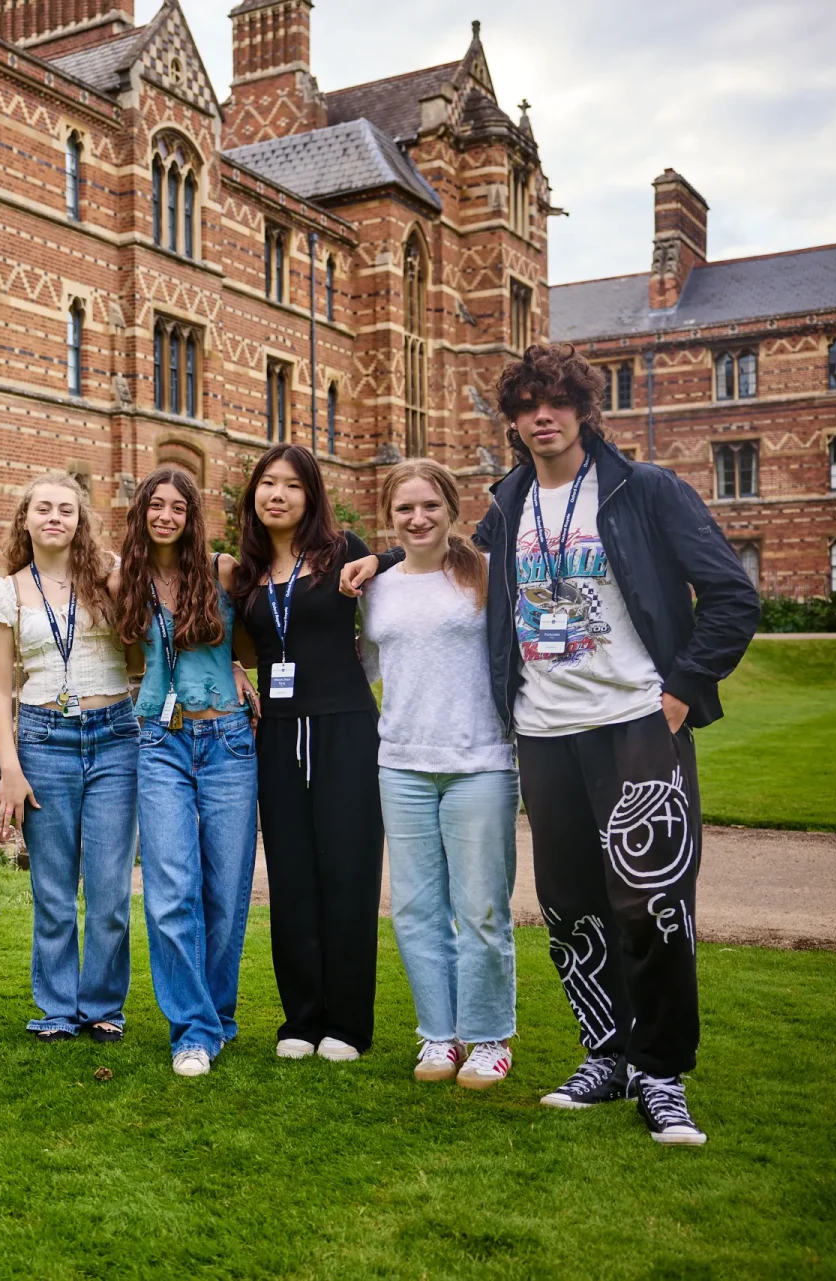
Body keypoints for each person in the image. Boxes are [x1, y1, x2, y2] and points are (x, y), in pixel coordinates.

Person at [343, 343, 759, 1143]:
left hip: (635, 723)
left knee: (651, 903)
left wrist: (680, 693)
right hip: (542, 730)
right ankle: (606, 1053)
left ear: (583, 409)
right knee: (572, 911)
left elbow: (732, 594)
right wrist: (383, 557)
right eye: (527, 405)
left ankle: (660, 1072)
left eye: (557, 401)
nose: (543, 417)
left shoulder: (644, 490)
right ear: (512, 421)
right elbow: (442, 551)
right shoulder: (509, 504)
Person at [357, 460, 518, 1089]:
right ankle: (438, 1034)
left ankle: (489, 1037)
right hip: (401, 764)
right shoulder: (376, 588)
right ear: (388, 517)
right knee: (416, 910)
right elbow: (364, 667)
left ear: (452, 509)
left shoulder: (487, 575)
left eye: (430, 506)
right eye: (404, 508)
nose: (418, 518)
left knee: (481, 909)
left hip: (480, 762)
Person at [234, 443, 383, 1064]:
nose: (278, 495)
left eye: (293, 485)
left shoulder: (342, 552)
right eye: (268, 483)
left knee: (347, 872)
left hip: (344, 728)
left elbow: (412, 562)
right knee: (291, 875)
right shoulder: (246, 572)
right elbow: (232, 640)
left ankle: (346, 1023)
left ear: (311, 494)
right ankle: (300, 1017)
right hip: (276, 733)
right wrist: (237, 669)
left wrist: (382, 558)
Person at [112, 467, 259, 1077]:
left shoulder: (223, 571)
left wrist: (242, 671)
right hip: (159, 741)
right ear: (141, 512)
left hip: (227, 740)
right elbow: (129, 654)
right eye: (156, 505)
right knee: (171, 890)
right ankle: (193, 1029)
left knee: (226, 889)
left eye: (178, 506)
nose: (166, 515)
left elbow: (253, 645)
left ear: (192, 516)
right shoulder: (126, 579)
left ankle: (216, 1015)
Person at [0, 471, 137, 1043]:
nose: (54, 517)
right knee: (53, 891)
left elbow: (154, 639)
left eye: (66, 510)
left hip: (115, 736)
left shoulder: (109, 577)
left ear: (80, 521)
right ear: (25, 518)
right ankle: (56, 1008)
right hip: (44, 740)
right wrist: (10, 767)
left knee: (110, 892)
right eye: (43, 508)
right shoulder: (6, 594)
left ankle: (101, 1004)